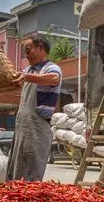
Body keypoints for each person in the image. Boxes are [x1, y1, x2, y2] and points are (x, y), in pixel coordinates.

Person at [6, 35, 62, 182]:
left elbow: (53, 78)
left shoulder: (51, 68)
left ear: (41, 48)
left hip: (37, 126)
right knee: (16, 165)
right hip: (22, 126)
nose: (26, 54)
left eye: (28, 50)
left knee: (32, 170)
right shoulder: (28, 70)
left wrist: (26, 76)